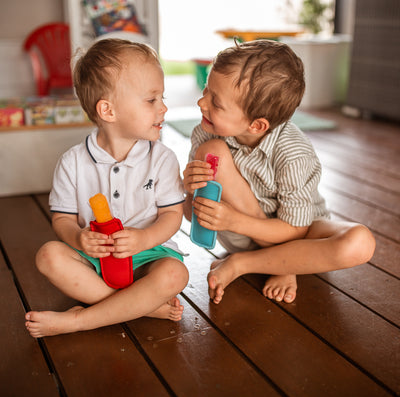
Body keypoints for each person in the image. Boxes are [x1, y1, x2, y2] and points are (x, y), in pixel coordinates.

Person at [183, 39, 375, 305]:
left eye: (216, 102)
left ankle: (252, 264)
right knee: (211, 149)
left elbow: (296, 230)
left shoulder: (293, 152)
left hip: (298, 233)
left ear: (257, 125)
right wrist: (188, 190)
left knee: (360, 242)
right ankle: (284, 263)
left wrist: (233, 221)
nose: (201, 102)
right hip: (244, 235)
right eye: (206, 89)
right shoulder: (206, 134)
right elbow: (193, 217)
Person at [25, 39, 189, 338]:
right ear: (108, 110)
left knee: (175, 274)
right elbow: (62, 219)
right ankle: (141, 306)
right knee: (48, 256)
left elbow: (172, 215)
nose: (164, 107)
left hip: (147, 258)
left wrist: (143, 239)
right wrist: (79, 238)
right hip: (95, 260)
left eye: (162, 97)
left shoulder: (162, 158)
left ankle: (80, 319)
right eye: (151, 100)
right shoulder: (72, 162)